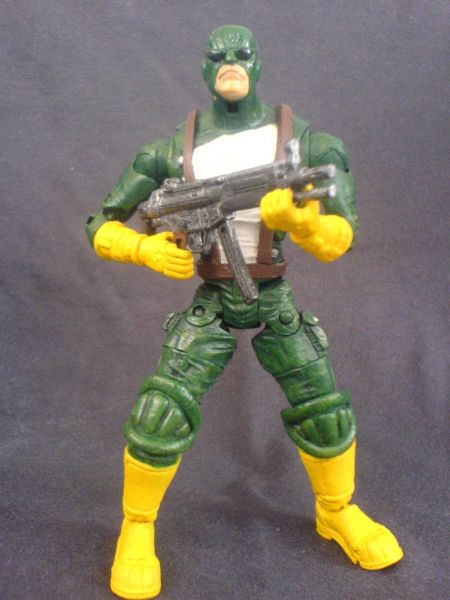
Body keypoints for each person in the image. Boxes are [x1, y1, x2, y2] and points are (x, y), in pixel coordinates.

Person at [86, 24, 403, 600]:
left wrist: (302, 223)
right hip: (211, 299)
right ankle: (137, 526)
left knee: (324, 407)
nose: (231, 63)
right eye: (219, 55)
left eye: (242, 54)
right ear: (204, 67)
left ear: (258, 64)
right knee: (160, 413)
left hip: (272, 296)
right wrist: (144, 248)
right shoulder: (167, 152)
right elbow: (101, 224)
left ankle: (337, 511)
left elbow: (341, 236)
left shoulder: (306, 144)